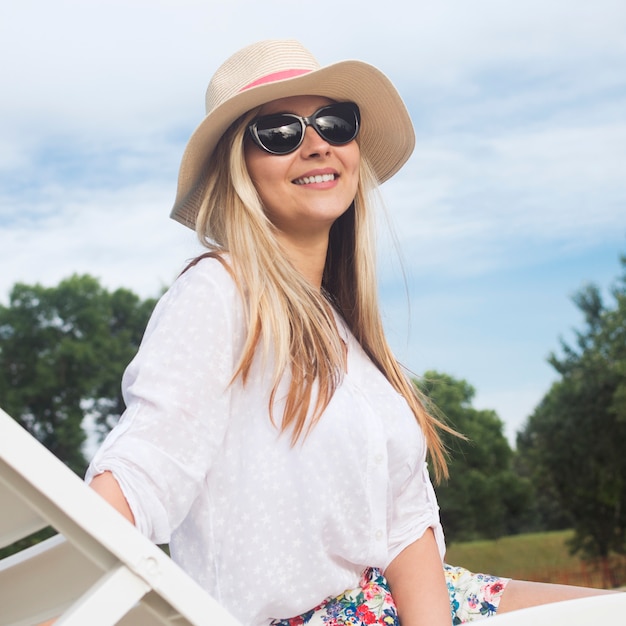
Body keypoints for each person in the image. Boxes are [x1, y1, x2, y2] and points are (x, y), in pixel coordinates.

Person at [85, 39, 613, 626]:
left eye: (334, 124)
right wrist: (74, 604)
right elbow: (147, 461)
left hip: (406, 602)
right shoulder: (221, 291)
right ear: (240, 168)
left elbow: (404, 521)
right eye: (279, 133)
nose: (315, 144)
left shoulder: (346, 333)